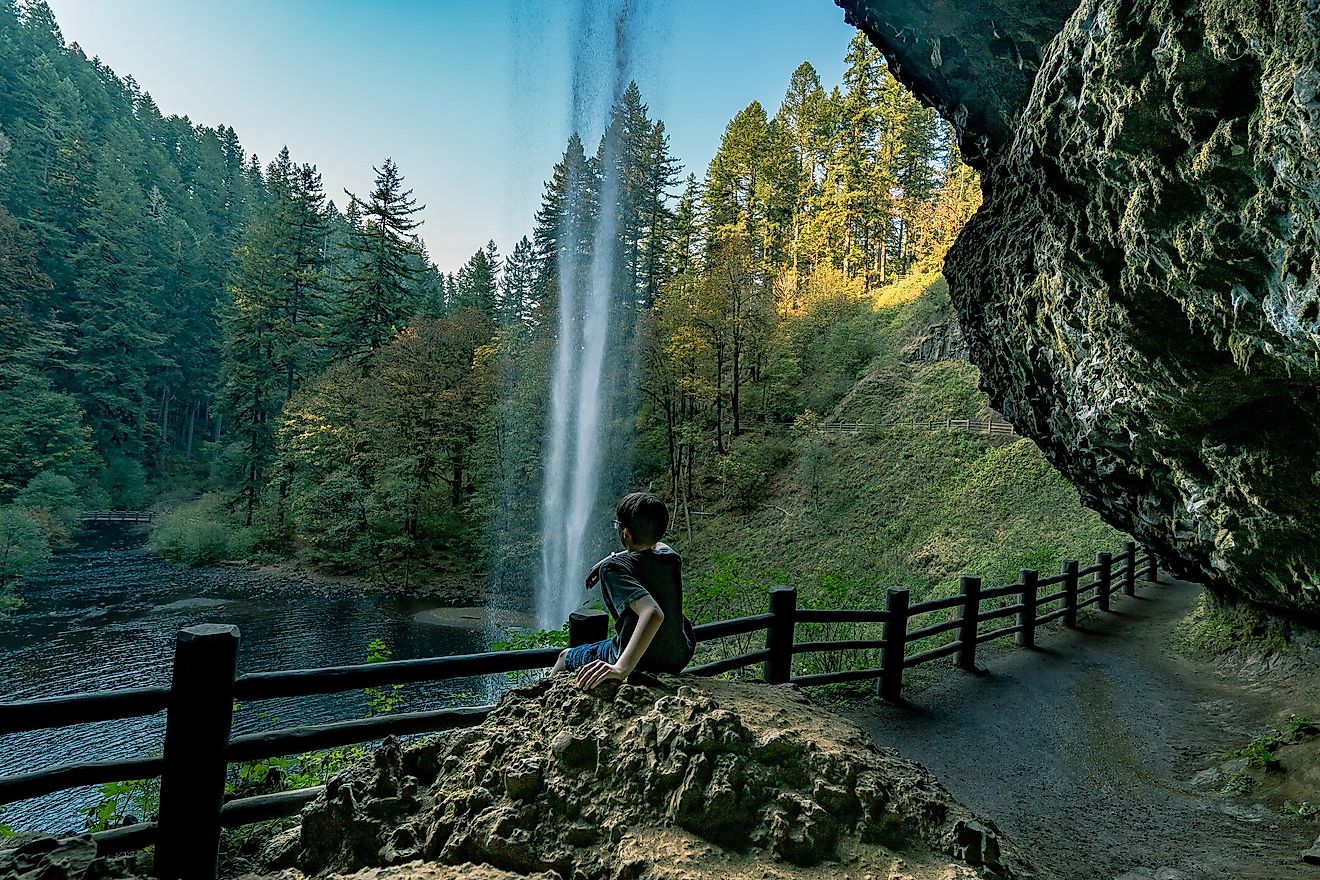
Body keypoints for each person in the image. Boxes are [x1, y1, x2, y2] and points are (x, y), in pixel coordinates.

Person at [552, 492, 696, 689]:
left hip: (640, 659)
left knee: (564, 657)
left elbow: (652, 613)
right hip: (678, 654)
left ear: (625, 533)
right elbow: (657, 545)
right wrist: (609, 559)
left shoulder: (614, 570)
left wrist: (621, 669)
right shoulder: (670, 556)